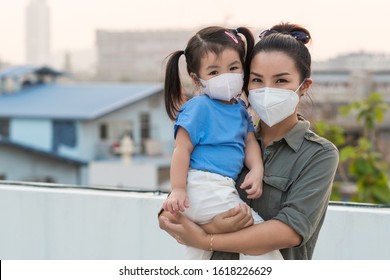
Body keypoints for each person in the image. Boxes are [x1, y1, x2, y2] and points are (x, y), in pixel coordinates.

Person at [159, 22, 339, 260]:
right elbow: (169, 216)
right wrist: (199, 222)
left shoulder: (318, 154)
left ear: (303, 86)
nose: (266, 89)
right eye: (256, 80)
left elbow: (289, 232)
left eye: (281, 81)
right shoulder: (228, 138)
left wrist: (206, 238)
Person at [162, 26, 283, 260]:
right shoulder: (198, 107)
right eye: (214, 72)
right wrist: (177, 189)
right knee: (259, 240)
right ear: (197, 79)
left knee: (199, 255)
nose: (226, 76)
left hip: (220, 188)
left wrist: (257, 169)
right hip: (203, 186)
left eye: (233, 68)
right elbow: (181, 149)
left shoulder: (239, 110)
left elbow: (249, 141)